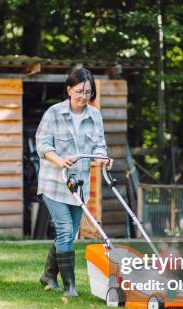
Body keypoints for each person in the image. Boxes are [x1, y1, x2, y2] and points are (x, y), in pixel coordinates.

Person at [35, 67, 110, 297]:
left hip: (80, 186)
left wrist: (102, 158)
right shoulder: (53, 113)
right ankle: (70, 287)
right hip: (54, 183)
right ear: (69, 90)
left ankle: (48, 275)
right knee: (66, 230)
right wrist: (59, 160)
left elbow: (99, 146)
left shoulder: (94, 115)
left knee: (68, 233)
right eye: (79, 92)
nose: (83, 97)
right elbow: (43, 145)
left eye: (88, 92)